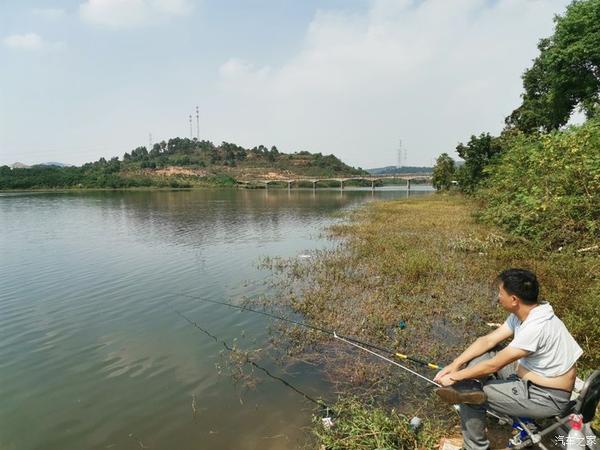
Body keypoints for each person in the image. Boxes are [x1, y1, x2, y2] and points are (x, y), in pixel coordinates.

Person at [434, 268, 583, 450]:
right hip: (531, 374)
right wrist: (454, 365)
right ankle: (475, 383)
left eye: (500, 293)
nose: (498, 297)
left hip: (546, 395)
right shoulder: (526, 313)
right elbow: (487, 340)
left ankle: (476, 447)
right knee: (489, 350)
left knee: (468, 396)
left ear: (514, 300)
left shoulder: (536, 326)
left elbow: (494, 365)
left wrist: (457, 377)